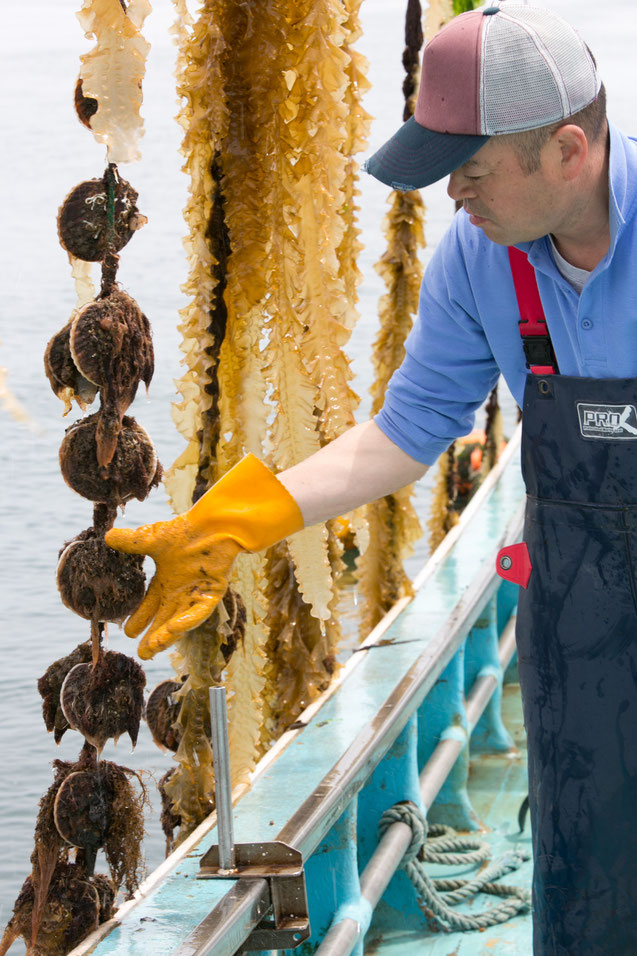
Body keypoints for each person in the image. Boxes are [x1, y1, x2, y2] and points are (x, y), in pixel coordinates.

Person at [106, 4, 637, 953]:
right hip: (580, 622)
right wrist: (239, 519)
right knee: (586, 882)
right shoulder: (481, 259)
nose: (454, 199)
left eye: (469, 173)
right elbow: (408, 430)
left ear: (566, 151)